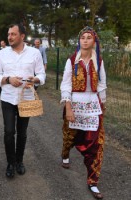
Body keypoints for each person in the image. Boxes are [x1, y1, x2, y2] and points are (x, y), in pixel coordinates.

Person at [0, 24, 46, 178]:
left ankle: (19, 161)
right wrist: (8, 79)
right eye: (9, 34)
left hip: (26, 98)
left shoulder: (34, 53)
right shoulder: (2, 54)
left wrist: (35, 79)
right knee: (9, 132)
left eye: (13, 34)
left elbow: (42, 75)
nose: (9, 37)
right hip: (8, 98)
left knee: (22, 133)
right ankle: (10, 163)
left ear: (22, 36)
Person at [60, 26, 106, 200]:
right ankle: (65, 154)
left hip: (93, 106)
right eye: (82, 37)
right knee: (69, 137)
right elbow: (65, 85)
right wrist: (68, 107)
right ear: (79, 41)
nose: (85, 40)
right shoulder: (72, 61)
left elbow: (102, 85)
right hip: (75, 103)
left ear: (94, 41)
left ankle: (93, 181)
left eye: (89, 37)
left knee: (96, 143)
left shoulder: (99, 61)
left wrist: (103, 106)